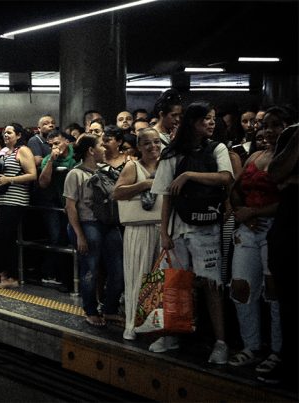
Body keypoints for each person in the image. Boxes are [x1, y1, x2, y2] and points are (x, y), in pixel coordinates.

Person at [150, 101, 233, 364]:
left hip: (207, 227)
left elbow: (226, 178)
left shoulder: (217, 148)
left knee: (212, 285)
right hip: (178, 229)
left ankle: (221, 342)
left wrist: (188, 175)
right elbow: (165, 197)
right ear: (192, 122)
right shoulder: (171, 154)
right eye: (205, 119)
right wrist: (164, 232)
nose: (211, 123)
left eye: (213, 118)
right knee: (176, 285)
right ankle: (173, 333)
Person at [228, 112, 282, 375]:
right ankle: (251, 345)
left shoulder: (289, 159)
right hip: (248, 228)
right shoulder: (254, 157)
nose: (269, 132)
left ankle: (278, 350)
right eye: (265, 127)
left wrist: (255, 214)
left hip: (276, 228)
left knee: (274, 293)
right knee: (240, 287)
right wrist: (242, 212)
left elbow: (290, 200)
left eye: (276, 126)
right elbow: (235, 189)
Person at [64, 134, 124, 327]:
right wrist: (79, 234)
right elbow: (70, 206)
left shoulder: (105, 171)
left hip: (108, 224)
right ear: (91, 150)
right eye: (100, 145)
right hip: (87, 224)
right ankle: (90, 310)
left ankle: (110, 308)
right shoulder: (75, 174)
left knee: (118, 270)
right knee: (90, 269)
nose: (104, 148)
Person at [113, 128, 163, 339]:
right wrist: (144, 184)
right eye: (147, 143)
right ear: (139, 147)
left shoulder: (167, 165)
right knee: (137, 275)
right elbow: (117, 192)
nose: (153, 146)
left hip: (163, 227)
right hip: (138, 227)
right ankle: (132, 324)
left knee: (159, 279)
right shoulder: (133, 166)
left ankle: (157, 325)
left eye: (157, 142)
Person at [264, 106, 298, 386]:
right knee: (288, 301)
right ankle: (288, 360)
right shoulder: (291, 136)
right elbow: (275, 174)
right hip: (288, 228)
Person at [0, 123, 37, 289]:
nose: (5, 135)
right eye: (4, 132)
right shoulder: (5, 153)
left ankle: (9, 276)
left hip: (16, 201)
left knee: (0, 237)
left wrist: (9, 180)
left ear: (18, 135)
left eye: (9, 132)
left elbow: (32, 174)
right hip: (3, 201)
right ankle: (6, 276)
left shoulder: (22, 150)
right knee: (4, 239)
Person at [38, 130, 78, 286]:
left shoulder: (76, 156)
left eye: (57, 143)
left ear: (66, 142)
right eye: (51, 144)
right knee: (56, 237)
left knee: (73, 239)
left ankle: (72, 277)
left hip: (75, 203)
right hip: (54, 204)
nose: (54, 147)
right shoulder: (48, 159)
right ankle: (60, 276)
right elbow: (43, 183)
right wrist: (50, 162)